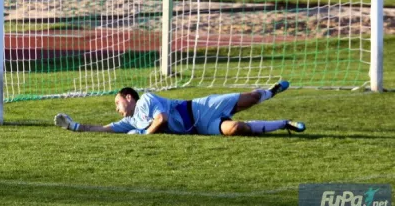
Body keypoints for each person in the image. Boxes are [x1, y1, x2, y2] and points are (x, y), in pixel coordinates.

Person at [54, 80, 306, 136]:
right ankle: (284, 124)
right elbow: (104, 128)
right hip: (201, 127)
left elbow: (161, 119)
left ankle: (270, 92)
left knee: (250, 98)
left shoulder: (146, 100)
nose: (116, 109)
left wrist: (144, 136)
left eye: (116, 102)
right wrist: (73, 125)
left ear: (128, 97)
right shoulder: (130, 122)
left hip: (199, 108)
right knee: (236, 128)